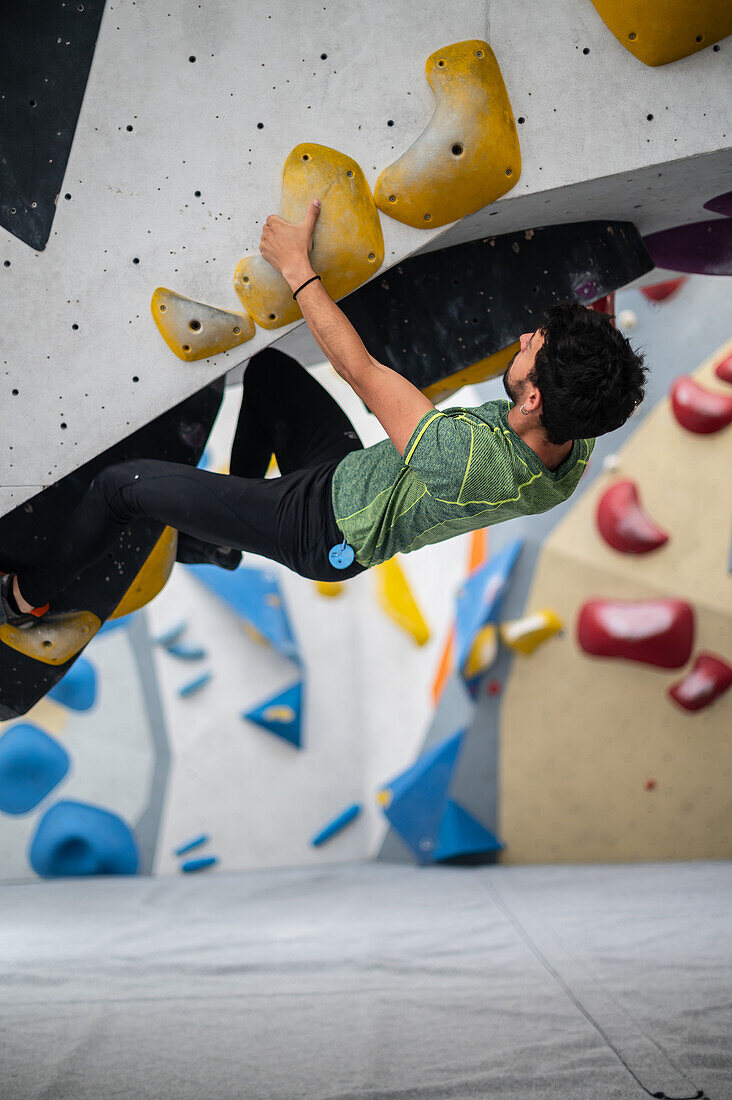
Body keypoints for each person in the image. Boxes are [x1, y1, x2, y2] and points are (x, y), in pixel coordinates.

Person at [0, 199, 647, 628]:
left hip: (318, 528)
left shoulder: (467, 460)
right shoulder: (578, 429)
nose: (526, 339)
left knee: (123, 489)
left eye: (533, 349)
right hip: (349, 480)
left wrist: (296, 267)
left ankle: (27, 597)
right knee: (271, 373)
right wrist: (592, 326)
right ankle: (225, 534)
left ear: (533, 399)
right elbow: (598, 366)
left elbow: (358, 368)